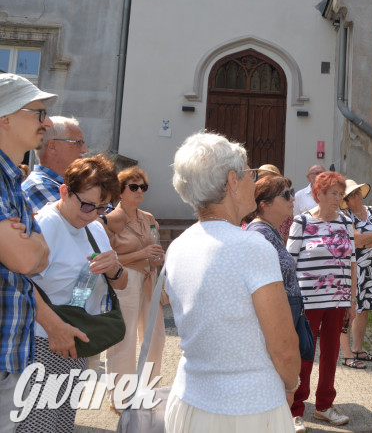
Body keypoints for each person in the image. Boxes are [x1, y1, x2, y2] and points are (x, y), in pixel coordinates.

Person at [164, 131, 298, 432]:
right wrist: (292, 384)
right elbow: (285, 347)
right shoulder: (251, 246)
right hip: (248, 409)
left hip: (189, 402)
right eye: (250, 172)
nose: (255, 179)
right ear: (232, 182)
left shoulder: (179, 245)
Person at [25, 154, 128, 432]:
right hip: (43, 342)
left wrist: (115, 269)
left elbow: (120, 284)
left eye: (102, 207)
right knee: (39, 425)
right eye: (86, 205)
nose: (93, 214)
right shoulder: (47, 224)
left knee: (60, 424)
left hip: (75, 342)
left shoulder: (94, 227)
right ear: (64, 191)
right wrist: (55, 328)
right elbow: (20, 283)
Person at [0, 74, 52, 432]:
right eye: (38, 113)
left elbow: (40, 252)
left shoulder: (12, 181)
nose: (46, 123)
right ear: (5, 117)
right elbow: (24, 259)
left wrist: (33, 244)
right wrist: (33, 245)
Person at [287, 171, 355, 425]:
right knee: (305, 354)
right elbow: (289, 263)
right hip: (308, 301)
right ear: (319, 194)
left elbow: (351, 262)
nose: (338, 198)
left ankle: (324, 405)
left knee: (331, 353)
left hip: (337, 300)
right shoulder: (302, 222)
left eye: (341, 194)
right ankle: (295, 411)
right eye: (333, 193)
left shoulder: (346, 222)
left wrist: (352, 300)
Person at [243, 176, 305, 432]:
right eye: (286, 195)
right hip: (273, 327)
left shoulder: (271, 232)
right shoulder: (260, 235)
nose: (293, 199)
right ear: (265, 204)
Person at [102, 166, 165, 410]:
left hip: (149, 278)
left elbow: (155, 248)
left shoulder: (148, 218)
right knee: (124, 339)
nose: (140, 191)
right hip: (125, 279)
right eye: (134, 187)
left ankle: (148, 392)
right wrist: (141, 253)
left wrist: (157, 259)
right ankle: (120, 397)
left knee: (156, 338)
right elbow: (106, 257)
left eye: (143, 187)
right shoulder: (109, 220)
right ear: (121, 190)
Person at [341, 178, 372, 364]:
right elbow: (357, 241)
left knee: (365, 308)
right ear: (347, 199)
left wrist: (368, 239)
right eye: (352, 194)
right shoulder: (345, 216)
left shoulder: (371, 211)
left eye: (358, 191)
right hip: (356, 266)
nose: (357, 195)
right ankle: (347, 354)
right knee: (352, 308)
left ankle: (358, 349)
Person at [21, 115, 88, 213]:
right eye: (78, 143)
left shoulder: (70, 184)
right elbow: (85, 224)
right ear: (52, 146)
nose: (84, 150)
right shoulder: (38, 187)